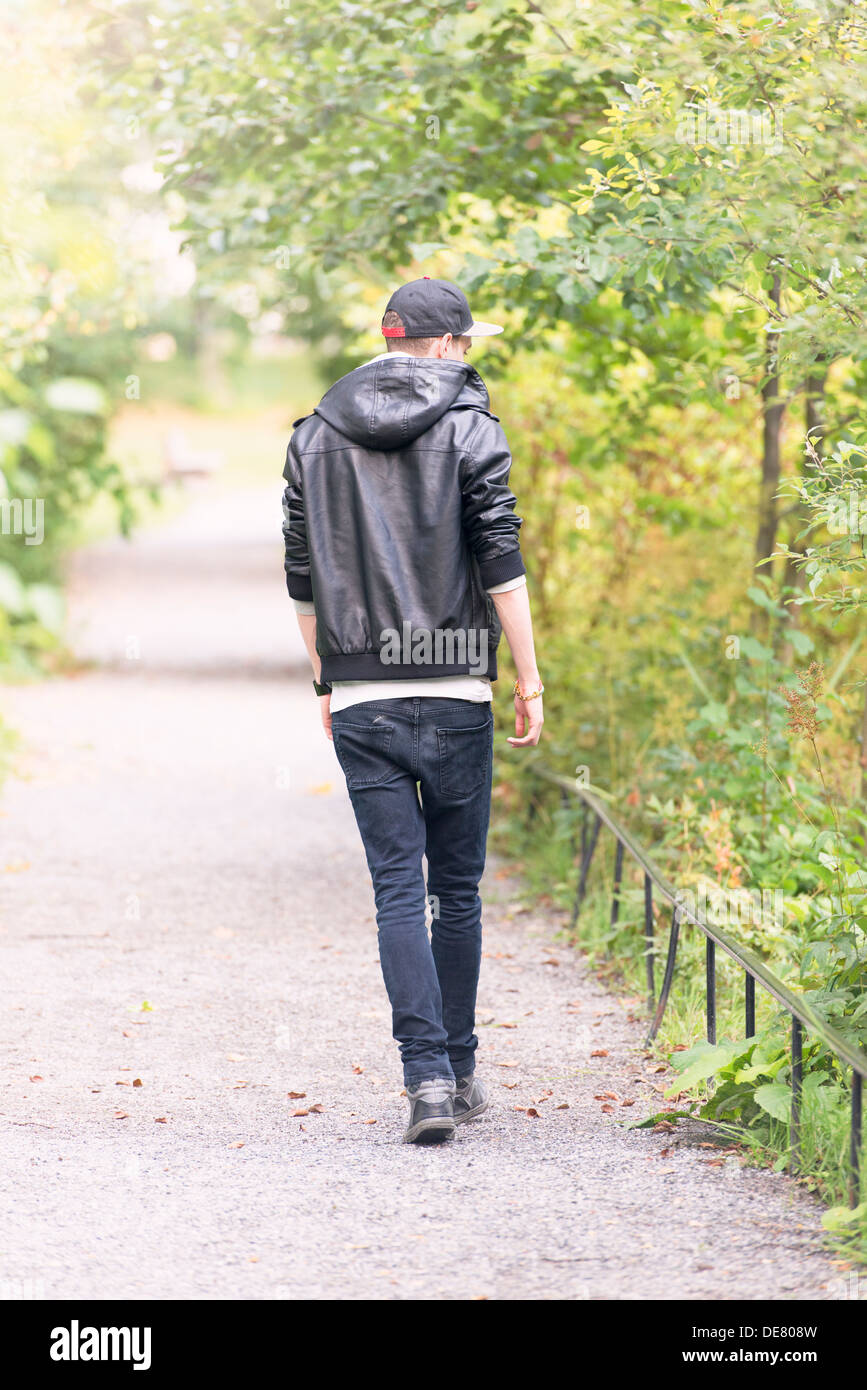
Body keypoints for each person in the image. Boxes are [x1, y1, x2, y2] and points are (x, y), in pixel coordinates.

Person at [282, 277, 544, 1144]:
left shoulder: (312, 436)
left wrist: (327, 681)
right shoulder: (472, 428)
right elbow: (500, 564)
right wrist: (530, 680)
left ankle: (425, 1081)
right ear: (437, 346)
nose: (466, 356)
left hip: (362, 690)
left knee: (397, 886)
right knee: (455, 891)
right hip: (458, 686)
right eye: (463, 343)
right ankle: (459, 1069)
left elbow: (303, 578)